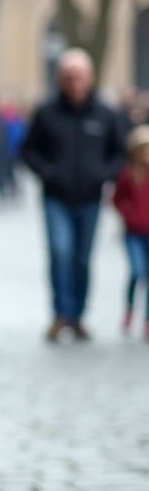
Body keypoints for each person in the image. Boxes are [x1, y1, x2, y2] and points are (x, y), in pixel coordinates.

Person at [22, 48, 125, 342]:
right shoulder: (47, 112)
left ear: (90, 78)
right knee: (60, 253)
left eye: (79, 76)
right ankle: (60, 314)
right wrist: (46, 171)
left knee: (82, 258)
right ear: (60, 79)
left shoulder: (105, 114)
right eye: (69, 77)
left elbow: (118, 154)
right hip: (56, 197)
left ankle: (78, 315)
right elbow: (29, 151)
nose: (75, 82)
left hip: (90, 198)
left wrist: (104, 174)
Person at [113, 125, 149, 338]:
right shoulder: (129, 175)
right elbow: (117, 198)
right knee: (138, 272)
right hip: (134, 233)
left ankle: (146, 320)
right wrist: (129, 214)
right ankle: (129, 308)